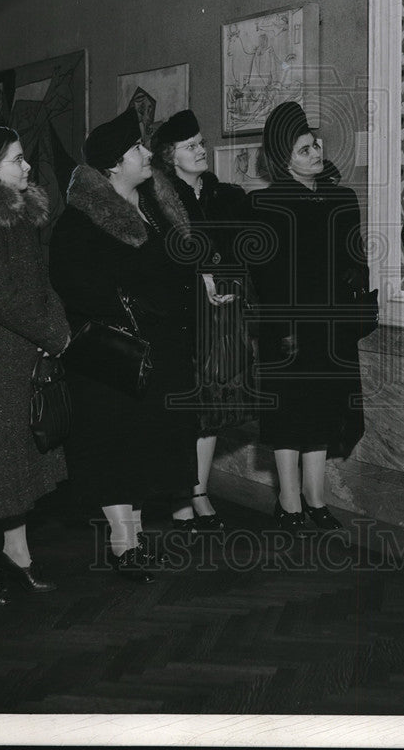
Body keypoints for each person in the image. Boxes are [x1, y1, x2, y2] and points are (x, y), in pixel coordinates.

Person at [48, 106, 199, 582]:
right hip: (112, 357)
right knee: (113, 445)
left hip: (159, 351)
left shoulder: (153, 207)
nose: (146, 152)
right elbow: (75, 286)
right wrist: (131, 307)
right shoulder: (79, 220)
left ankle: (132, 536)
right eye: (137, 148)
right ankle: (122, 542)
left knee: (143, 445)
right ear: (113, 164)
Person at [0, 125, 71, 604]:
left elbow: (39, 284)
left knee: (18, 458)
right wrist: (50, 333)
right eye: (17, 159)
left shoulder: (21, 213)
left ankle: (17, 552)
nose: (27, 167)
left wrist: (57, 330)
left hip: (22, 348)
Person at [249, 102, 369, 532]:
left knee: (321, 413)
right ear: (284, 160)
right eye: (303, 150)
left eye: (314, 144)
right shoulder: (264, 204)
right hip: (287, 327)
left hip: (331, 325)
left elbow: (355, 258)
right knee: (288, 416)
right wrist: (283, 328)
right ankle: (288, 501)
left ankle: (316, 501)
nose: (316, 152)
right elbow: (266, 274)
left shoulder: (342, 197)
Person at [151, 109, 256, 533]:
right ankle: (181, 496)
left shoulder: (220, 194)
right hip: (184, 314)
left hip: (223, 314)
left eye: (200, 142)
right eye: (190, 146)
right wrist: (203, 276)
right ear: (169, 155)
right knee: (185, 406)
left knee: (212, 406)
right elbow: (167, 256)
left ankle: (198, 491)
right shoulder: (160, 198)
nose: (201, 150)